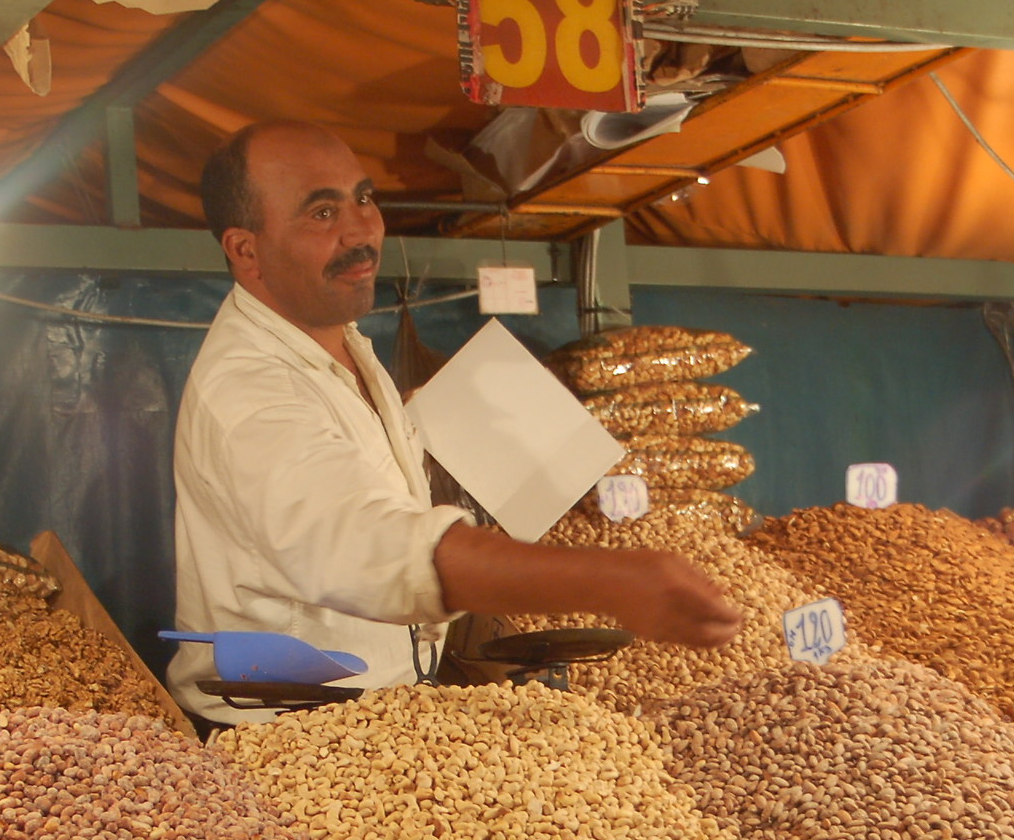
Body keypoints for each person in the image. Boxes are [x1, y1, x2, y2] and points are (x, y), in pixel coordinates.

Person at [166, 119, 743, 725]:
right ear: (246, 249)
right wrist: (609, 581)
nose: (361, 231)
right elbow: (375, 548)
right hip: (280, 734)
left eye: (364, 198)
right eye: (321, 214)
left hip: (378, 717)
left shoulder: (339, 346)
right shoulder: (251, 390)